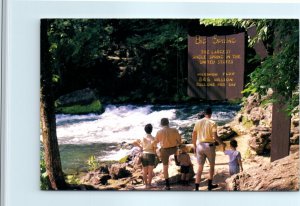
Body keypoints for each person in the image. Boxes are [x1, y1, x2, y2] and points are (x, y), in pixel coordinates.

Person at [192, 107, 226, 191]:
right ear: (211, 114)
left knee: (200, 167)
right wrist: (222, 144)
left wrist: (194, 146)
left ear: (204, 113)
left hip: (199, 146)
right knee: (211, 166)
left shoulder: (197, 122)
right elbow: (215, 136)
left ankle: (196, 188)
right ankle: (210, 185)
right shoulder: (212, 123)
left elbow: (194, 135)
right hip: (209, 146)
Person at [153, 118, 181, 190]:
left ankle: (167, 185)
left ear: (161, 124)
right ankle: (177, 160)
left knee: (165, 167)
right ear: (168, 123)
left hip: (164, 150)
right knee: (177, 150)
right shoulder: (174, 130)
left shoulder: (159, 132)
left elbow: (155, 142)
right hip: (174, 149)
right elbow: (179, 140)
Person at [133, 124, 157, 189]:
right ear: (151, 130)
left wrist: (141, 147)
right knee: (150, 171)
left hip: (144, 154)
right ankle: (149, 184)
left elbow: (134, 142)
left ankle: (146, 185)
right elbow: (155, 149)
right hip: (151, 155)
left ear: (145, 130)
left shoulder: (142, 137)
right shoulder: (153, 138)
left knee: (144, 171)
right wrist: (156, 155)